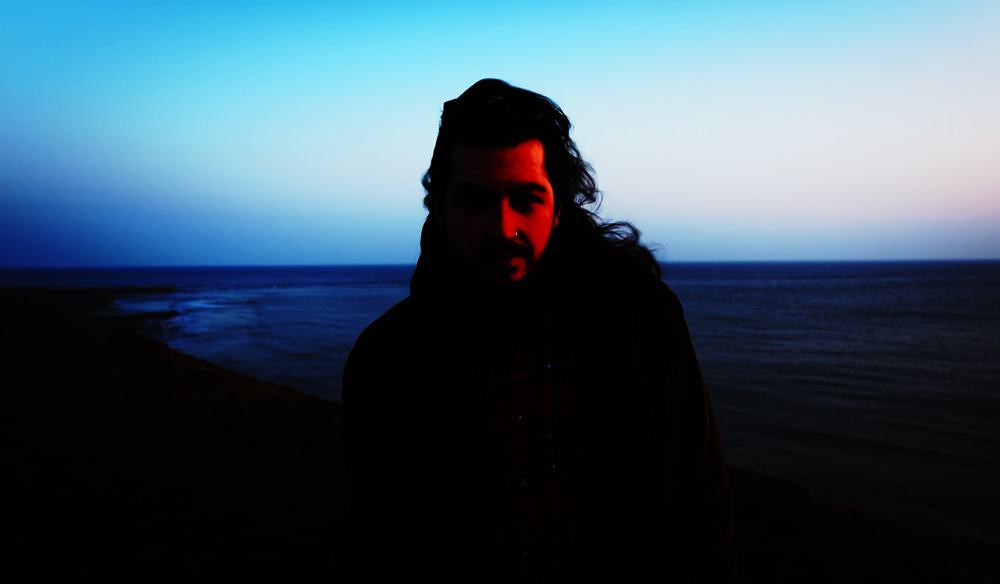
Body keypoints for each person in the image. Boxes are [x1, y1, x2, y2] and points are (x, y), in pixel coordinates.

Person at [342, 79, 736, 583]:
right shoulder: (387, 359)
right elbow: (369, 542)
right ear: (438, 210)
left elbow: (703, 502)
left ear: (559, 209)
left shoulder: (642, 321)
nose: (502, 228)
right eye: (474, 201)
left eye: (526, 199)